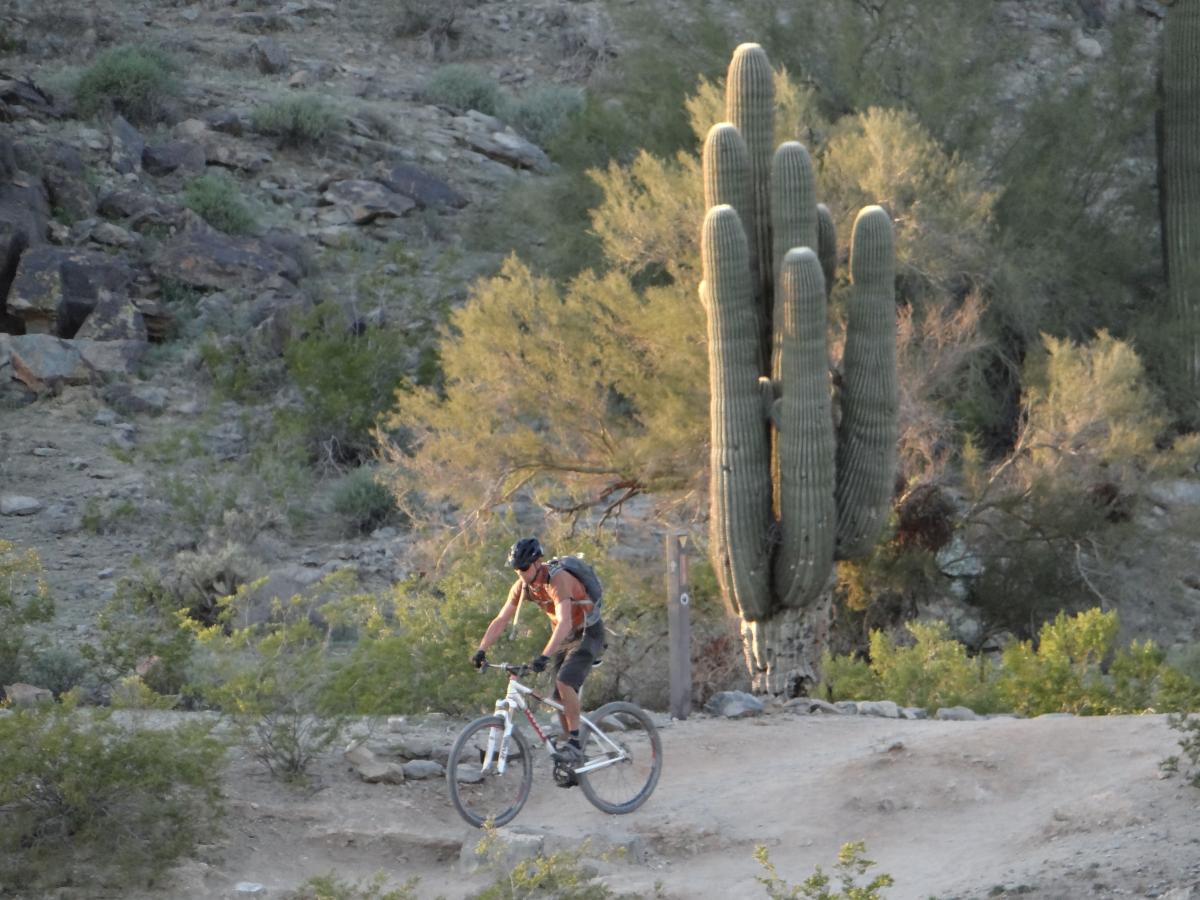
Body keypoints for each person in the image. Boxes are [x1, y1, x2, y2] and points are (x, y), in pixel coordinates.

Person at [472, 537, 605, 776]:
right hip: (565, 636)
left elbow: (564, 622)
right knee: (557, 696)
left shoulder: (558, 580)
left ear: (537, 563)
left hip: (587, 631)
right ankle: (573, 754)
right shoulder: (522, 586)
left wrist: (544, 656)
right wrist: (482, 649)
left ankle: (575, 743)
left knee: (565, 682)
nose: (520, 574)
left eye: (523, 568)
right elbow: (502, 619)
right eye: (516, 569)